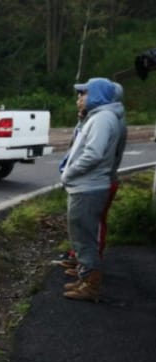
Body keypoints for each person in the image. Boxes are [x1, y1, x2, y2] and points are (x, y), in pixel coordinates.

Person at [60, 77, 126, 302]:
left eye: (84, 93)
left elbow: (93, 154)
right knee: (81, 234)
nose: (79, 98)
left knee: (84, 236)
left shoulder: (102, 119)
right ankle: (85, 277)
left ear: (97, 95)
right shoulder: (99, 117)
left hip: (88, 187)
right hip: (85, 186)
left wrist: (69, 173)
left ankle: (90, 284)